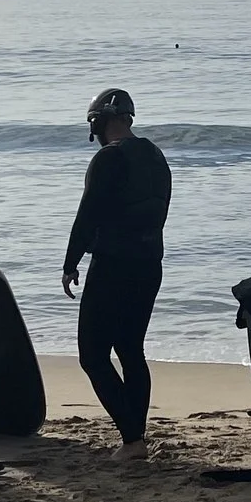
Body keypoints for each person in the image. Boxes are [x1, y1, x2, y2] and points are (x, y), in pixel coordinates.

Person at [61, 88, 172, 458]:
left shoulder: (108, 158)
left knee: (92, 356)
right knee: (130, 350)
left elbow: (87, 215)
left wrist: (70, 263)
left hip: (113, 266)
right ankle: (134, 439)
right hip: (150, 264)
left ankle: (132, 439)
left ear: (98, 123)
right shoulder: (155, 155)